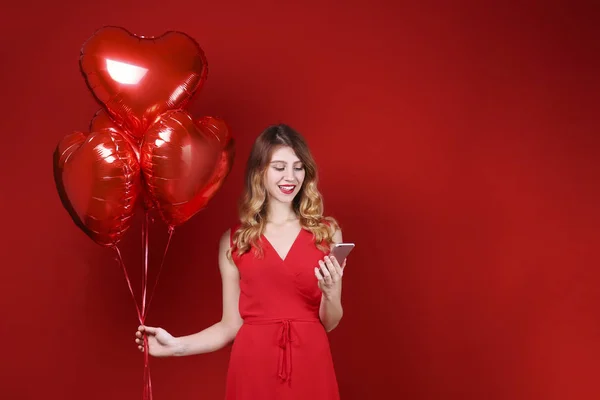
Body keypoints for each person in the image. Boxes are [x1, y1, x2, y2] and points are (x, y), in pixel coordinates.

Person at [135, 124, 347, 399]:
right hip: (253, 366)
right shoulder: (235, 241)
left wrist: (330, 293)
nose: (290, 176)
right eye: (279, 167)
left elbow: (329, 321)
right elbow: (229, 326)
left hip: (311, 364)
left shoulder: (328, 233)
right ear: (260, 171)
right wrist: (176, 345)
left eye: (298, 167)